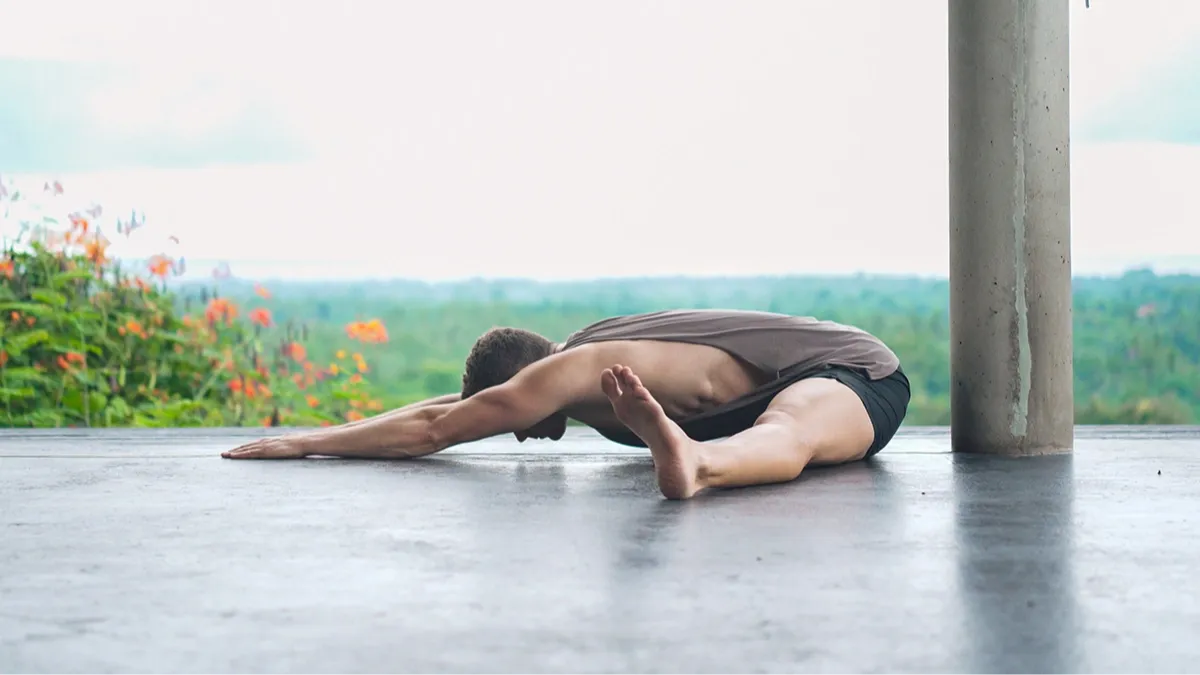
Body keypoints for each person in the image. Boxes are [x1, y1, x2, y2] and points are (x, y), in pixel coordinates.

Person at [222, 309, 910, 500]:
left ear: (526, 383)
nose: (518, 435)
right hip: (786, 392)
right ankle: (690, 454)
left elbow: (437, 429)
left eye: (512, 418)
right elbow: (443, 408)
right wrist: (333, 431)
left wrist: (303, 443)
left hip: (856, 376)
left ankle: (696, 464)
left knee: (790, 429)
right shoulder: (578, 367)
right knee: (775, 427)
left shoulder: (571, 369)